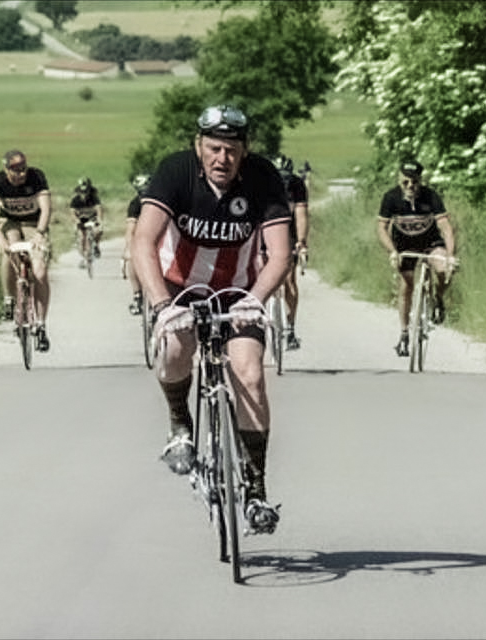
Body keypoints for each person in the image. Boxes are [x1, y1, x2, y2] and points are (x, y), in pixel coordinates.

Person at [131, 104, 291, 534]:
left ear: (245, 151)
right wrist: (164, 307)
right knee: (177, 348)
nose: (222, 158)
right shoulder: (175, 172)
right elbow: (143, 242)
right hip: (179, 287)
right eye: (214, 148)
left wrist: (255, 299)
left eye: (232, 150)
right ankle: (180, 424)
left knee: (250, 375)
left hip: (239, 290)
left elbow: (280, 254)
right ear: (198, 146)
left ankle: (256, 491)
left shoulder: (262, 177)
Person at [376, 160, 456, 357]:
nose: (410, 187)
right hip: (404, 245)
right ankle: (404, 333)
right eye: (406, 183)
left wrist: (450, 256)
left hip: (430, 243)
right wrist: (392, 251)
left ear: (420, 181)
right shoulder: (391, 197)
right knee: (406, 286)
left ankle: (437, 298)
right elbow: (381, 228)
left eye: (415, 183)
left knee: (444, 269)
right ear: (399, 179)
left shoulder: (431, 196)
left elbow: (445, 227)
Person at [0, 149, 52, 352]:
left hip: (33, 223)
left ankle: (40, 324)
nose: (21, 173)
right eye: (15, 170)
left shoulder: (36, 176)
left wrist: (40, 233)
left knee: (40, 271)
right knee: (9, 250)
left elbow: (46, 208)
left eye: (23, 168)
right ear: (6, 169)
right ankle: (9, 299)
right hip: (9, 223)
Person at [272, 153, 310, 350]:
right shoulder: (262, 182)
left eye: (286, 178)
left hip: (290, 231)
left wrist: (301, 242)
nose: (283, 182)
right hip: (266, 229)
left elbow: (301, 215)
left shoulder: (296, 185)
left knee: (289, 279)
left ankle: (290, 329)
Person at [123, 173, 150, 315]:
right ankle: (137, 295)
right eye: (141, 193)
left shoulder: (161, 200)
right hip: (141, 238)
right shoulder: (135, 204)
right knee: (132, 260)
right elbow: (130, 230)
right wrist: (129, 247)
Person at [69, 176, 104, 269]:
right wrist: (76, 221)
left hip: (92, 219)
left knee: (98, 231)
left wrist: (100, 221)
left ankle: (96, 245)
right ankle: (84, 258)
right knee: (81, 238)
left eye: (86, 191)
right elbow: (72, 213)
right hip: (81, 220)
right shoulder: (75, 200)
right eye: (82, 192)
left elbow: (99, 210)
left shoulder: (94, 198)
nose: (84, 194)